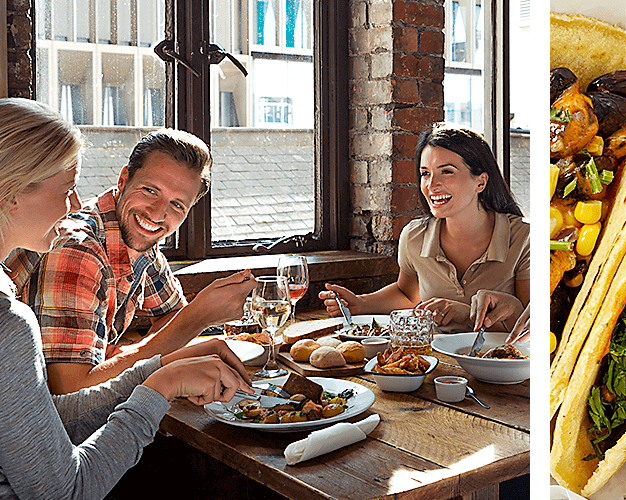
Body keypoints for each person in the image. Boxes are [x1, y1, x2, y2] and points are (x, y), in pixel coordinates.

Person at [0, 97, 254, 499]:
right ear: (11, 192)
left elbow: (45, 418)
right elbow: (65, 483)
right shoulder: (59, 266)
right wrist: (165, 376)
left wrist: (164, 367)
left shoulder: (138, 239)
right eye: (67, 189)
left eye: (177, 204)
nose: (73, 206)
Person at [4, 126, 257, 393]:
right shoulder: (78, 250)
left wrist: (124, 358)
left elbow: (170, 316)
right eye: (150, 190)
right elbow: (71, 394)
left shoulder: (138, 238)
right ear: (124, 179)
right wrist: (197, 319)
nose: (158, 213)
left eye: (177, 205)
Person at [320, 123, 530, 333]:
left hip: (502, 362)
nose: (431, 185)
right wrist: (360, 303)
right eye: (425, 174)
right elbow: (408, 295)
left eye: (446, 172)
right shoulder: (414, 236)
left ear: (481, 182)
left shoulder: (524, 237)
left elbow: (532, 323)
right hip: (435, 359)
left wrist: (467, 313)